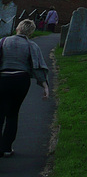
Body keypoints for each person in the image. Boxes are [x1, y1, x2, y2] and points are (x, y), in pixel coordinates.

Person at [0, 20, 49, 158]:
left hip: (2, 79)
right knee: (12, 114)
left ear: (17, 28)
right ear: (31, 32)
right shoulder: (31, 45)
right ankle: (6, 148)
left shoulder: (3, 41)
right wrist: (45, 86)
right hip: (21, 81)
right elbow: (38, 67)